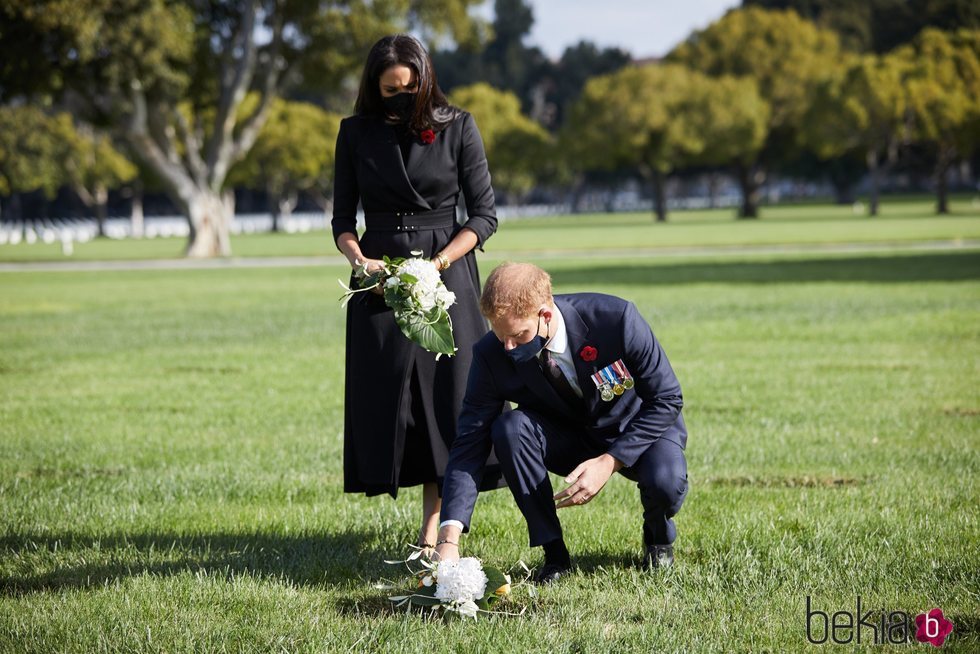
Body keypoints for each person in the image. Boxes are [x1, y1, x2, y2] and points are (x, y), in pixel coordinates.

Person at [332, 34, 502, 550]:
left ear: (425, 81)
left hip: (445, 271)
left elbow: (484, 215)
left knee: (443, 399)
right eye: (390, 90)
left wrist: (441, 262)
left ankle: (436, 523)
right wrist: (360, 260)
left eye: (410, 87)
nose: (401, 96)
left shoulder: (459, 127)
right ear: (374, 87)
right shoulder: (354, 133)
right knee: (391, 398)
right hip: (380, 276)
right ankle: (405, 492)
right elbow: (343, 220)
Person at [433, 263, 689, 583]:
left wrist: (610, 461)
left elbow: (666, 399)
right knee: (509, 429)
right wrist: (448, 538)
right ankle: (554, 555)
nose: (507, 348)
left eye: (517, 335)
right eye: (500, 336)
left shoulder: (616, 320)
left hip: (637, 427)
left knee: (666, 483)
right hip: (567, 437)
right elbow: (469, 440)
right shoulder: (492, 354)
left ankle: (658, 539)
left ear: (546, 315)